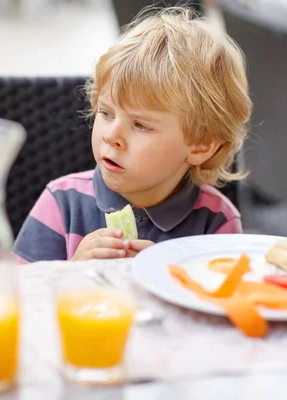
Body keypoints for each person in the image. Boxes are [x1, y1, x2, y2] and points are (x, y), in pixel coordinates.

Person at [13, 6, 251, 263]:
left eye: (141, 125)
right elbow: (19, 296)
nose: (111, 135)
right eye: (106, 113)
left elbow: (222, 300)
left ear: (201, 146)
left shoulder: (216, 223)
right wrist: (73, 272)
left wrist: (169, 278)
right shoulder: (62, 204)